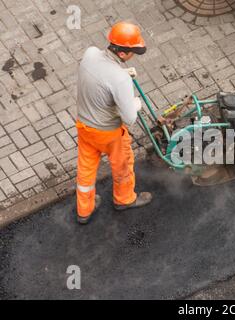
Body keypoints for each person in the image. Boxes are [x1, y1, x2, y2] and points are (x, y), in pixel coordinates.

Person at [75, 22, 152, 225]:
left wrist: (120, 76)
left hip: (84, 127)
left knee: (86, 168)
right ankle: (124, 199)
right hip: (108, 133)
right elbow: (129, 118)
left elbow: (100, 79)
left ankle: (84, 210)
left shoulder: (90, 54)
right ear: (124, 54)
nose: (134, 55)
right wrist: (135, 103)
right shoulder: (119, 79)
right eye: (134, 51)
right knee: (122, 165)